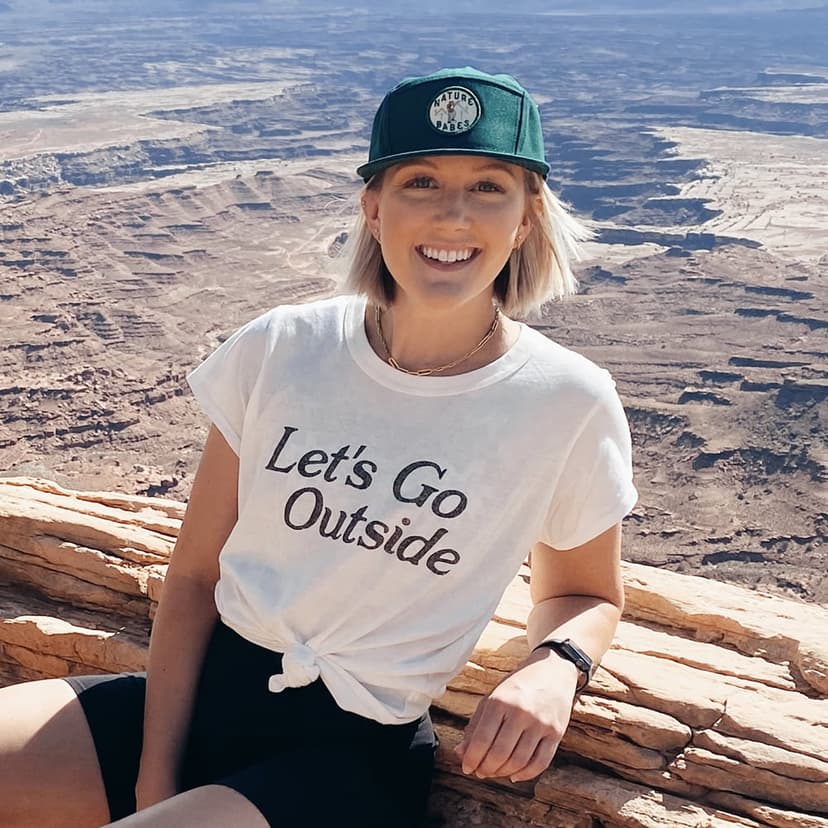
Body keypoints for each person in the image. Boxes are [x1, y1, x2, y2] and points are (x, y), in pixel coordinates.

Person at [0, 66, 637, 828]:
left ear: (527, 219)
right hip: (196, 700)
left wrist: (553, 669)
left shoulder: (566, 400)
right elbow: (197, 574)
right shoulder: (283, 346)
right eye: (421, 182)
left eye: (490, 187)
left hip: (347, 764)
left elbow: (585, 594)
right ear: (373, 208)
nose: (453, 215)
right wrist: (154, 778)